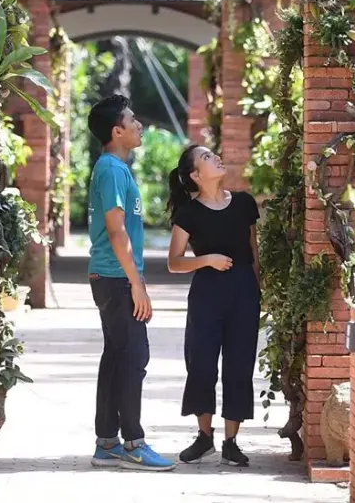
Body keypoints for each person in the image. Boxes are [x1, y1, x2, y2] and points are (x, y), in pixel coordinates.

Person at [86, 94, 176, 470]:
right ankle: (133, 443)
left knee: (118, 357)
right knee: (134, 357)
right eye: (132, 120)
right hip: (115, 277)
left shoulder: (117, 169)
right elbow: (116, 230)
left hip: (112, 276)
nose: (140, 125)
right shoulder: (110, 169)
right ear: (116, 131)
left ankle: (107, 442)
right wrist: (136, 283)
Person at [166, 143, 261, 467]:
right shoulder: (188, 213)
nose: (217, 157)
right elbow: (174, 262)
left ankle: (231, 441)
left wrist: (257, 288)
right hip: (207, 293)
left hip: (244, 291)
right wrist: (207, 259)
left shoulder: (245, 204)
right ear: (196, 175)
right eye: (207, 157)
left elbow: (253, 251)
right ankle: (204, 437)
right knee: (202, 363)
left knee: (239, 365)